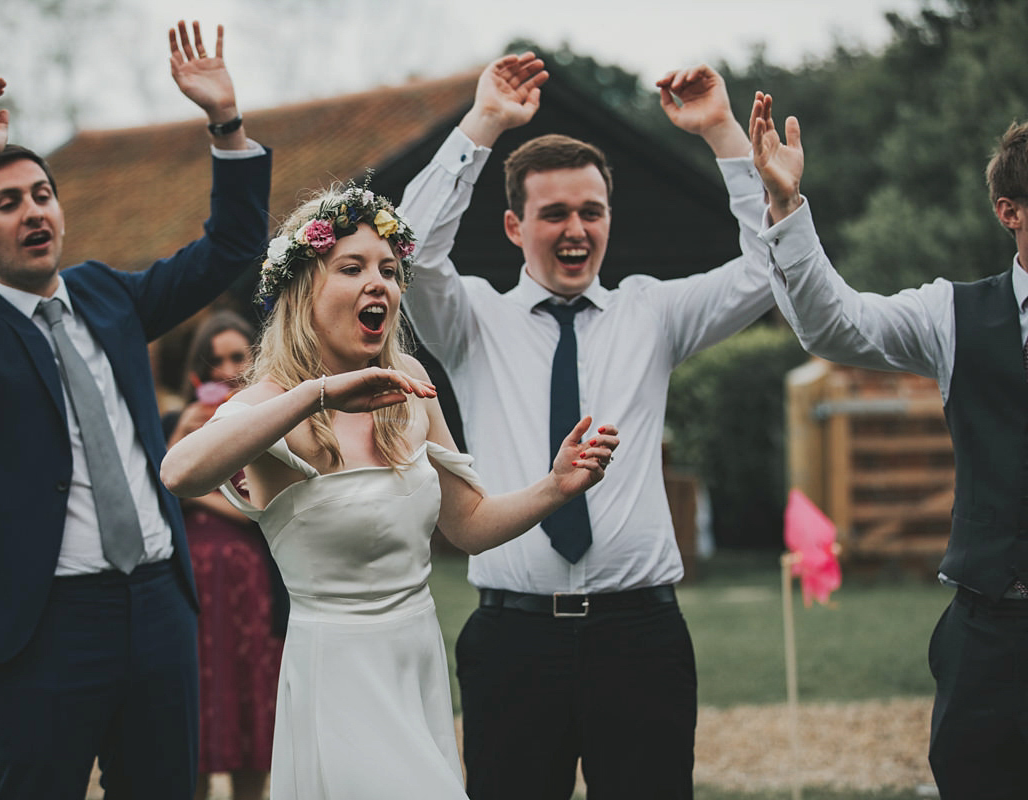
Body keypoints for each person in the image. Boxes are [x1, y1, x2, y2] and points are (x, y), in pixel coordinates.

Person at [0, 21, 271, 799]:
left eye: (42, 196)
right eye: (5, 204)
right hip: (46, 619)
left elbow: (231, 247)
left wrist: (224, 122)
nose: (32, 212)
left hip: (160, 599)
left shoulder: (107, 293)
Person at [160, 182, 620, 799]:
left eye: (390, 269)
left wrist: (555, 487)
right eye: (352, 267)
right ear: (304, 290)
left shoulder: (408, 382)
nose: (380, 282)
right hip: (337, 671)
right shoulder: (271, 403)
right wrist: (318, 394)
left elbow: (467, 523)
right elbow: (179, 473)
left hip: (414, 655)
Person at [396, 53, 772, 799]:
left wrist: (725, 133)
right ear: (514, 225)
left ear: (608, 219)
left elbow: (770, 269)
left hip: (642, 637)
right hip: (513, 639)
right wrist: (484, 124)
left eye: (591, 211)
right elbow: (410, 246)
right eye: (554, 213)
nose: (575, 229)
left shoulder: (652, 312)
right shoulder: (473, 318)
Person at [749, 91, 1028, 799]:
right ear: (1011, 211)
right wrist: (788, 209)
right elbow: (834, 326)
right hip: (995, 631)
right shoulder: (954, 314)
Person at [164, 311, 285, 800]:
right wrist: (180, 440)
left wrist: (196, 494)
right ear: (196, 370)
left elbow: (269, 510)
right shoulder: (176, 420)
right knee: (190, 724)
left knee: (251, 719)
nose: (225, 370)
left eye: (237, 357)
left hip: (251, 590)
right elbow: (155, 496)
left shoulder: (268, 421)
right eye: (213, 361)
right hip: (189, 593)